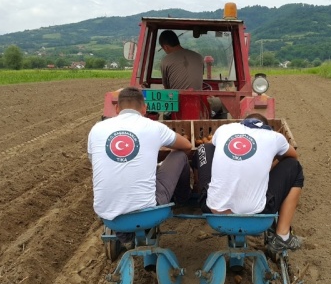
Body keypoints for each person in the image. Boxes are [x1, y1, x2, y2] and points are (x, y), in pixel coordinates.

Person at [88, 86, 192, 242]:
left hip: (108, 215)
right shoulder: (154, 127)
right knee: (179, 155)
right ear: (144, 108)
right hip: (149, 211)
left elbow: (94, 160)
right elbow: (187, 146)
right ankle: (184, 199)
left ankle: (125, 235)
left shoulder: (97, 129)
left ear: (117, 108)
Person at [193, 113, 305, 252]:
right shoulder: (275, 138)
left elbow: (215, 149)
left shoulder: (224, 129)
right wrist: (269, 165)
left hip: (212, 209)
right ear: (266, 127)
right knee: (294, 166)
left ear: (242, 123)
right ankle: (283, 236)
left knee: (205, 148)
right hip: (257, 213)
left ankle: (198, 189)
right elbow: (293, 156)